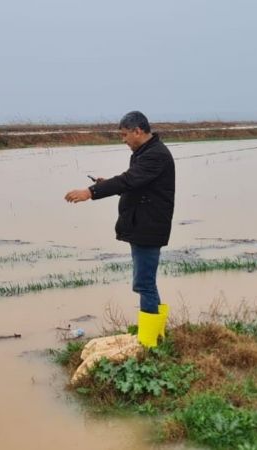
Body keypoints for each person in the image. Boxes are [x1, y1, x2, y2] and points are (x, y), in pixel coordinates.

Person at [64, 111, 175, 348]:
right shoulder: (144, 153)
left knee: (144, 284)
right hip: (143, 225)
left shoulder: (155, 155)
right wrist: (106, 185)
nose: (123, 140)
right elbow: (135, 183)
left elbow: (127, 181)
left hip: (149, 228)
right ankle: (155, 335)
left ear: (138, 131)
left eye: (125, 135)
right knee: (145, 282)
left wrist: (90, 192)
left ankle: (150, 342)